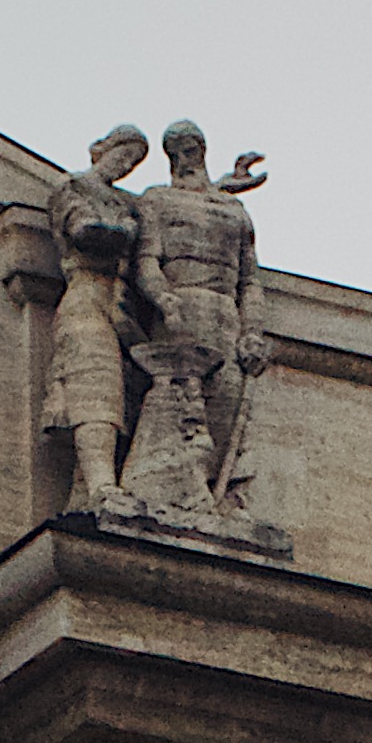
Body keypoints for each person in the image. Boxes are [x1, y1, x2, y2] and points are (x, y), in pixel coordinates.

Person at [128, 123, 271, 499]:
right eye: (177, 152)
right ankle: (180, 493)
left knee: (227, 402)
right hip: (181, 306)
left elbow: (250, 280)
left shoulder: (233, 210)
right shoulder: (155, 200)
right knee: (183, 406)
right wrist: (163, 299)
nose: (186, 158)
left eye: (191, 149)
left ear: (203, 150)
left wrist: (253, 331)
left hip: (225, 313)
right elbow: (146, 261)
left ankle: (221, 494)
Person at [39, 128, 148, 499]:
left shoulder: (129, 203)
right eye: (123, 155)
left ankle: (84, 493)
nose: (125, 166)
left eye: (134, 162)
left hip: (120, 305)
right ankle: (102, 485)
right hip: (85, 294)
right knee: (94, 388)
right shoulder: (72, 187)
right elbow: (83, 231)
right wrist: (128, 232)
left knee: (122, 398)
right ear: (104, 149)